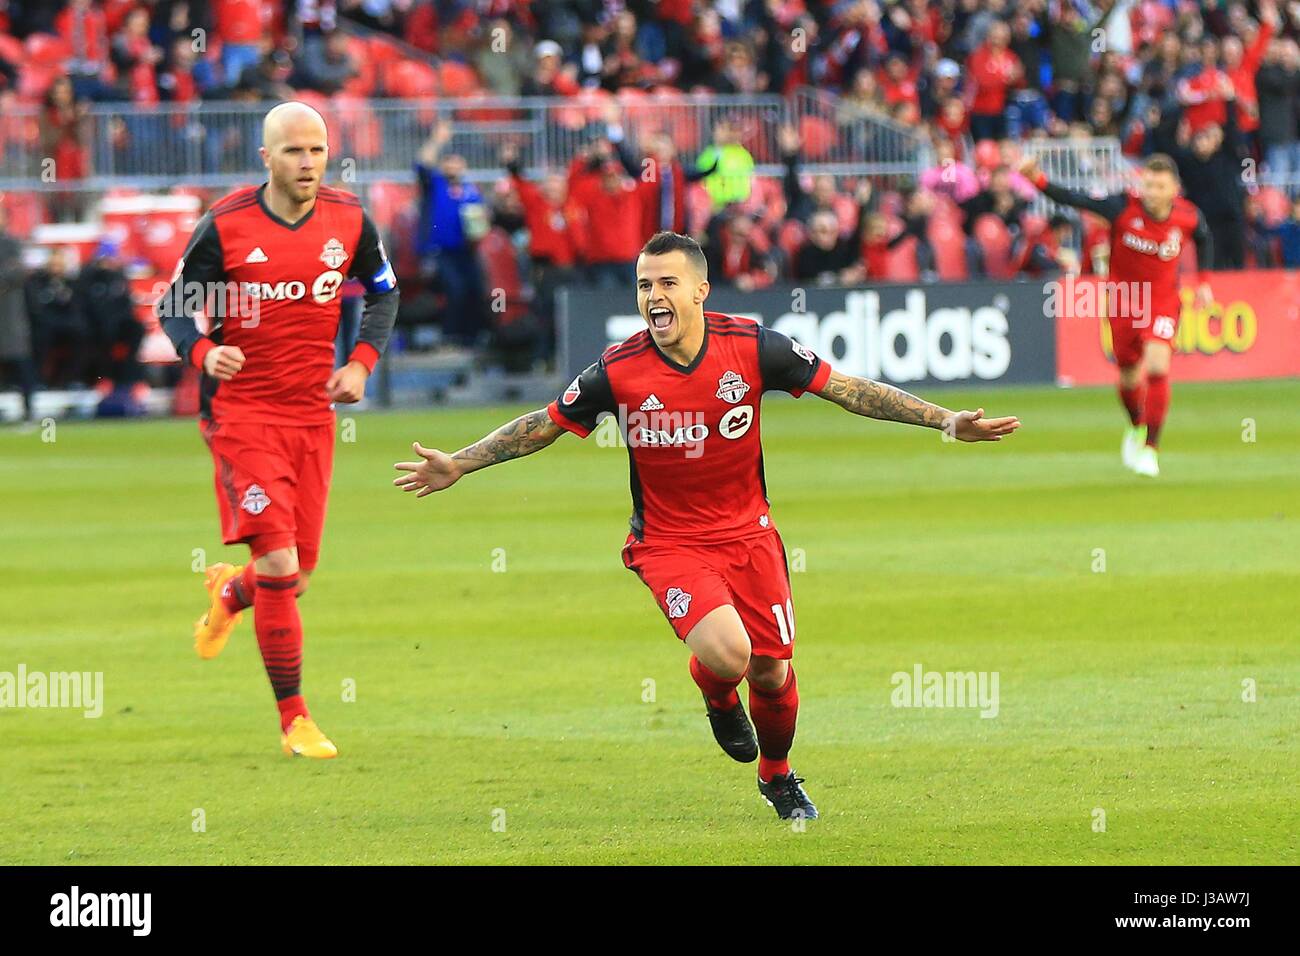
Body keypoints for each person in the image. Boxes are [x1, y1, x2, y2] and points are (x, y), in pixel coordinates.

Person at [393, 231, 1019, 820]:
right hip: (668, 543)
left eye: (667, 283)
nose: (653, 297)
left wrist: (944, 420)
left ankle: (777, 775)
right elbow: (544, 423)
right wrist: (462, 463)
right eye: (643, 285)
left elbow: (848, 389)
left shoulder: (751, 346)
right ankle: (718, 693)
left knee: (772, 672)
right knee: (730, 653)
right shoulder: (620, 368)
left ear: (700, 290)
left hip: (750, 536)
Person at [158, 102, 400, 759]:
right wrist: (205, 353)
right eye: (294, 151)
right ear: (266, 158)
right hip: (241, 416)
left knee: (293, 578)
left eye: (317, 150)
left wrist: (362, 361)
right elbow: (173, 306)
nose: (307, 162)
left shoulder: (350, 220)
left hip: (311, 415)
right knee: (279, 562)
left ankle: (226, 595)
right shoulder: (227, 226)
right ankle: (295, 719)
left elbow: (384, 291)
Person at [1021, 153, 1213, 478]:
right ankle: (1136, 426)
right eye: (1148, 184)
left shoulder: (1188, 216)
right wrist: (1036, 177)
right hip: (1124, 302)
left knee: (1156, 366)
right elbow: (1074, 198)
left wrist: (1204, 282)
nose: (1151, 191)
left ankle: (1151, 449)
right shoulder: (1121, 208)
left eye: (1159, 186)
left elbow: (1204, 237)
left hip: (1163, 302)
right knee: (1127, 376)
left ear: (1173, 189)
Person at [415, 119, 489, 346]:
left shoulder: (471, 189)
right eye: (449, 162)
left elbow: (482, 218)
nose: (453, 167)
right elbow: (422, 163)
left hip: (467, 252)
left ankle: (471, 338)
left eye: (457, 163)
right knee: (454, 290)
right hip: (440, 253)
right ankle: (450, 337)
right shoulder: (435, 184)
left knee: (476, 289)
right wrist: (437, 140)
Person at [0, 203, 36, 423]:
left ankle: (29, 410)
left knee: (21, 360)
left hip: (10, 313)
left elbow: (17, 271)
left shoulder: (12, 243)